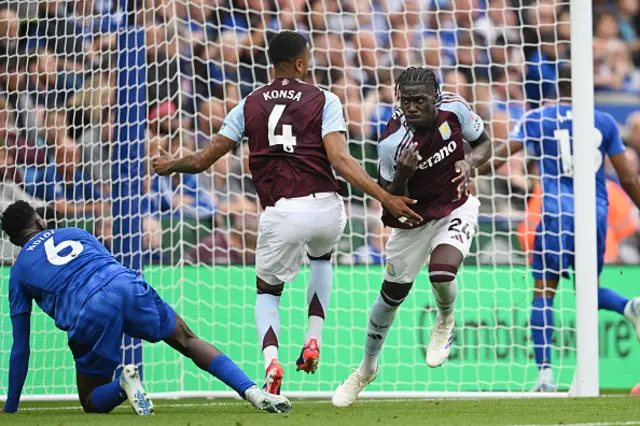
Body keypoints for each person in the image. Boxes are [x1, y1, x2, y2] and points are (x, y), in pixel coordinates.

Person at [152, 30, 422, 395]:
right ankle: (313, 339)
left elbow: (204, 159)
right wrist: (384, 197)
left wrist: (172, 165)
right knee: (322, 259)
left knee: (268, 292)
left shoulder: (248, 104)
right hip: (327, 206)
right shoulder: (325, 99)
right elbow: (340, 159)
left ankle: (271, 363)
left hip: (282, 212)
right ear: (299, 63)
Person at [0, 201, 291, 415]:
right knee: (187, 340)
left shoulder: (18, 272)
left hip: (89, 309)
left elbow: (21, 348)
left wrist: (11, 407)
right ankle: (252, 390)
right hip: (124, 283)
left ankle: (123, 383)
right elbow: (109, 264)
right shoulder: (76, 232)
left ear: (13, 241)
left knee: (90, 402)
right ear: (40, 220)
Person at [332, 67, 492, 407]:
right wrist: (403, 174)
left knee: (442, 272)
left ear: (435, 96)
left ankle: (445, 319)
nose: (412, 107)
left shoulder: (455, 108)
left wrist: (470, 163)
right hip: (412, 222)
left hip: (455, 208)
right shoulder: (392, 143)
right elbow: (392, 203)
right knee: (389, 299)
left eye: (420, 100)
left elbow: (484, 144)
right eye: (406, 101)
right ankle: (366, 369)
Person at [476, 65, 640, 392]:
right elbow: (626, 177)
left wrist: (467, 169)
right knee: (587, 291)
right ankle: (628, 306)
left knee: (544, 292)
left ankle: (545, 377)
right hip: (594, 213)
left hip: (555, 214)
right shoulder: (604, 121)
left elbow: (497, 159)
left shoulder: (538, 119)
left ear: (553, 89)